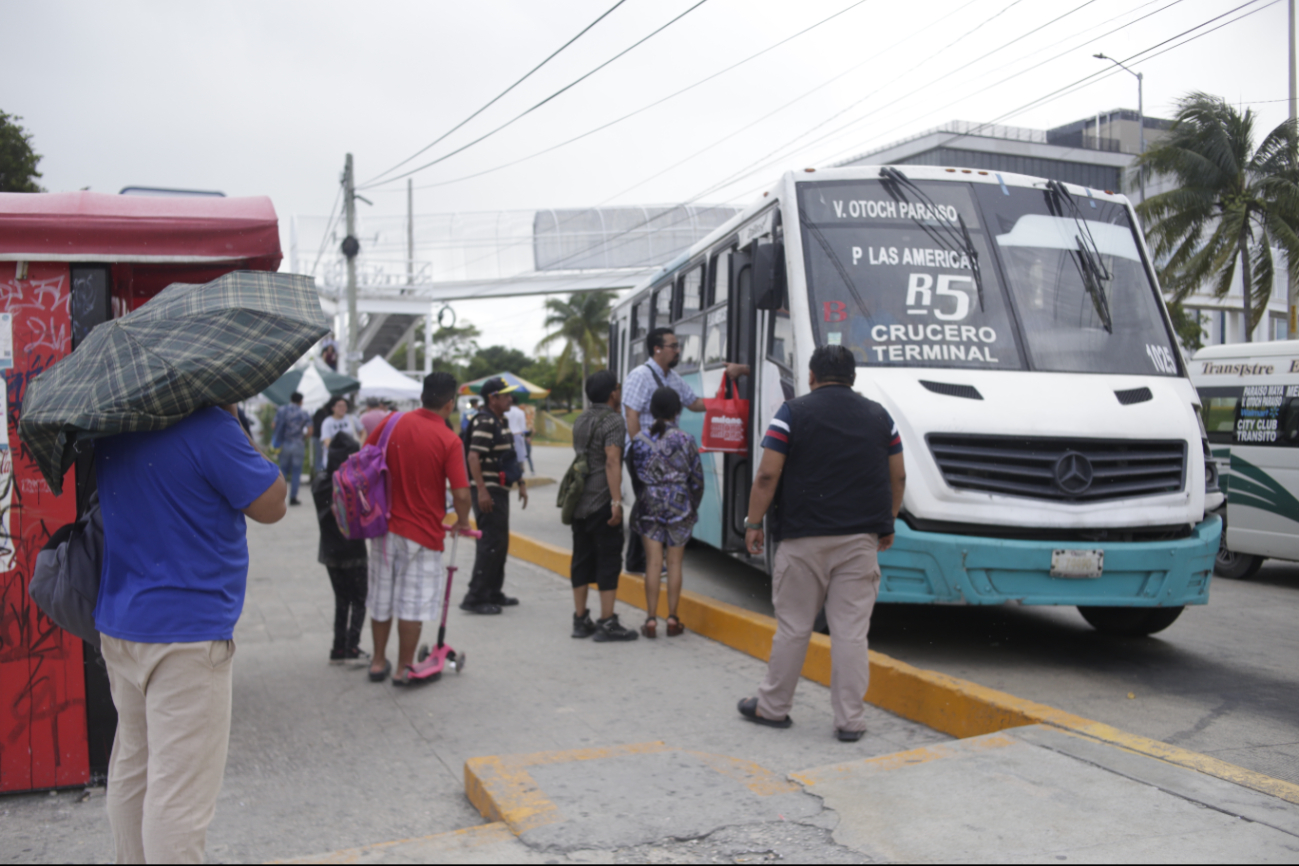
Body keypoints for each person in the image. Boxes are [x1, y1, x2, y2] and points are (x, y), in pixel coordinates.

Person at [94, 404, 286, 863]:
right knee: (178, 796)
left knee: (133, 767)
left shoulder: (114, 424)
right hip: (187, 633)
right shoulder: (210, 427)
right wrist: (235, 421)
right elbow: (273, 503)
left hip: (122, 619)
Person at [736, 345, 906, 742]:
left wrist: (753, 522)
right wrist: (888, 521)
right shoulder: (879, 417)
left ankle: (773, 708)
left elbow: (766, 475)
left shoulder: (793, 413)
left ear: (811, 376)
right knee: (850, 632)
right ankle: (850, 721)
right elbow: (897, 476)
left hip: (803, 539)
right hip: (859, 540)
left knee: (794, 627)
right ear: (853, 378)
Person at [364, 372, 472, 685]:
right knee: (410, 604)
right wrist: (462, 521)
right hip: (422, 535)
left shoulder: (392, 422)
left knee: (382, 597)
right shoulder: (449, 440)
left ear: (423, 395)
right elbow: (462, 493)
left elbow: (365, 456)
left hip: (383, 527)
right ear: (449, 403)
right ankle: (403, 668)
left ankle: (377, 662)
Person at [621, 327, 748, 573]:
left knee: (649, 503)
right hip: (645, 454)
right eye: (674, 346)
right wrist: (640, 449)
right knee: (645, 503)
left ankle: (643, 561)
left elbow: (694, 403)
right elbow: (631, 414)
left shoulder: (673, 378)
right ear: (657, 349)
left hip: (664, 455)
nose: (678, 350)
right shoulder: (640, 375)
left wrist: (725, 402)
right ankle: (637, 561)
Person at [568, 371, 638, 642]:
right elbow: (611, 461)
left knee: (581, 559)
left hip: (578, 502)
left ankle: (580, 619)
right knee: (608, 560)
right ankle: (607, 622)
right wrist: (616, 502)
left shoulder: (581, 419)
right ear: (613, 393)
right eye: (618, 389)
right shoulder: (613, 421)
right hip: (601, 502)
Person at [629, 387, 703, 639]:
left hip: (649, 505)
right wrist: (691, 505)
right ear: (677, 411)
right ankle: (672, 618)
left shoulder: (638, 440)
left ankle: (650, 619)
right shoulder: (686, 440)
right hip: (679, 507)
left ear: (651, 411)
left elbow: (635, 478)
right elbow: (697, 480)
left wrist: (646, 497)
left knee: (652, 563)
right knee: (674, 564)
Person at [460, 377, 527, 614]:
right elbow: (473, 456)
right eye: (506, 395)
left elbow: (507, 455)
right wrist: (481, 490)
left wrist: (520, 481)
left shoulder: (501, 420)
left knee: (500, 542)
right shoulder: (485, 421)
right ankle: (475, 597)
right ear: (493, 398)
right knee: (490, 542)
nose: (510, 399)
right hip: (488, 491)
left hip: (499, 488)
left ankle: (493, 592)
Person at [312, 431, 369, 664]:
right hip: (353, 549)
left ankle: (338, 648)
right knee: (359, 599)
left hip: (329, 551)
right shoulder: (352, 482)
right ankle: (352, 647)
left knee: (341, 599)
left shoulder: (319, 482)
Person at [272, 391, 311, 505]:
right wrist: (303, 437)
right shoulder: (303, 413)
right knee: (296, 471)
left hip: (284, 443)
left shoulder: (282, 410)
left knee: (283, 470)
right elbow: (310, 430)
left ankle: (279, 497)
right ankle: (293, 498)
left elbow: (274, 425)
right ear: (301, 401)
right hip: (298, 444)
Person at [505, 393, 532, 476]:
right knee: (520, 457)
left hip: (507, 435)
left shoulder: (506, 411)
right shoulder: (521, 412)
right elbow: (523, 427)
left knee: (508, 457)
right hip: (518, 435)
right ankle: (520, 475)